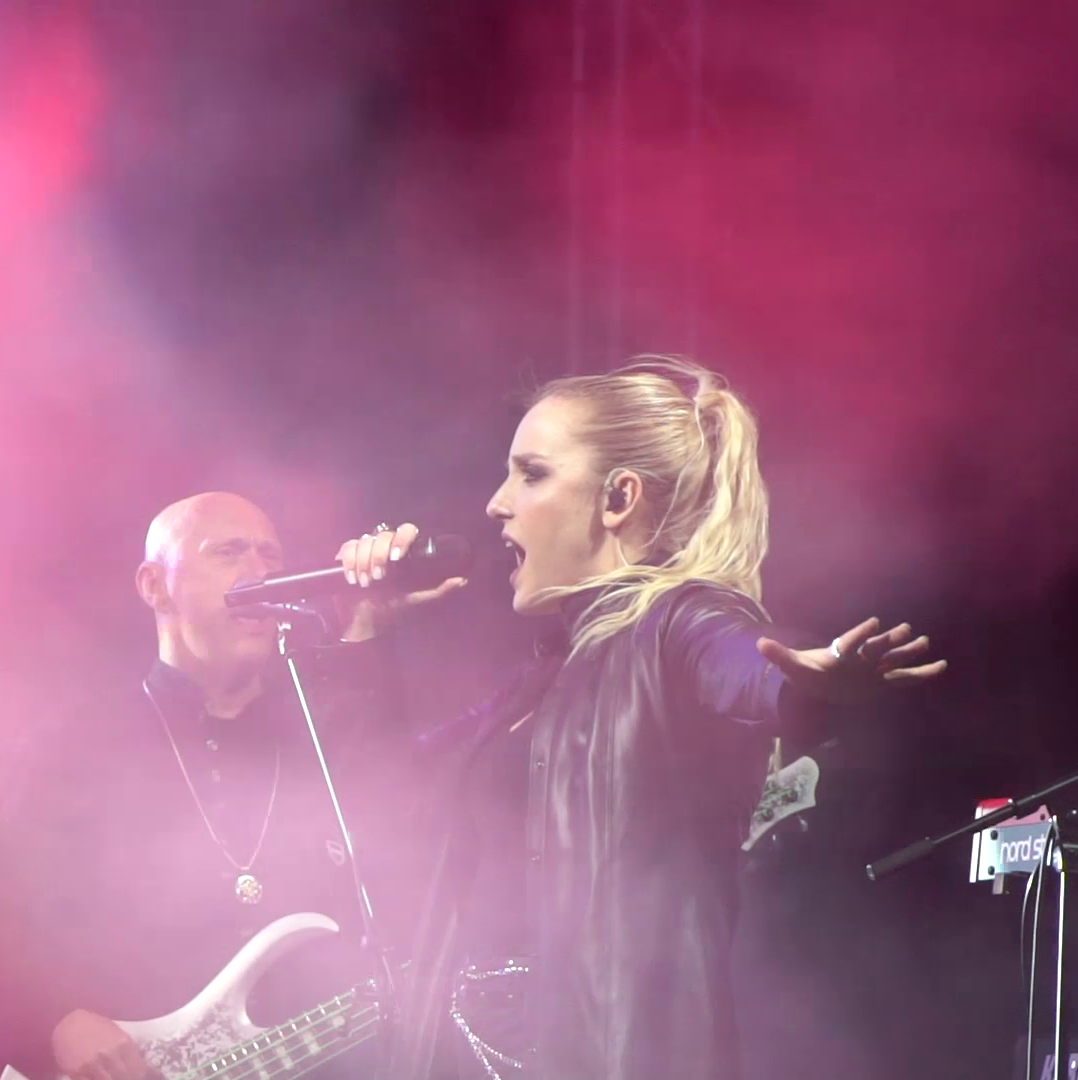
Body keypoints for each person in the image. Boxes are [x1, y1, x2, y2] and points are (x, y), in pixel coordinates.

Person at [339, 356, 947, 1080]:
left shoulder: (679, 621)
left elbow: (745, 666)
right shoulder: (542, 681)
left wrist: (808, 687)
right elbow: (379, 794)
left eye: (531, 474)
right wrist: (367, 631)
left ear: (618, 498)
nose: (497, 504)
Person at [0, 492, 461, 1080]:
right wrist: (56, 1020)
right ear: (155, 586)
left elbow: (408, 840)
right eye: (228, 552)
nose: (258, 573)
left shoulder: (317, 730)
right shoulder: (81, 745)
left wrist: (367, 631)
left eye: (270, 556)